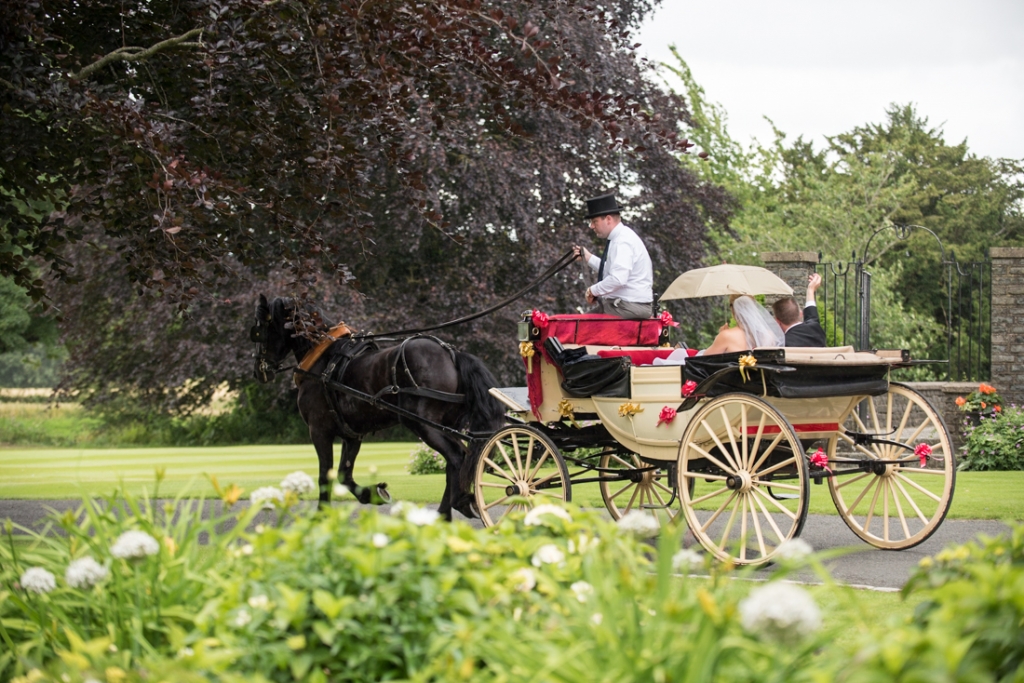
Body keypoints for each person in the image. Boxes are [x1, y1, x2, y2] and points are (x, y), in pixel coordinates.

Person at [571, 193, 654, 320]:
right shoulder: (621, 237)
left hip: (627, 307)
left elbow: (617, 279)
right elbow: (612, 271)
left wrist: (592, 290)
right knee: (578, 325)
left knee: (578, 327)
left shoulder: (622, 241)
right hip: (629, 305)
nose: (591, 226)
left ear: (608, 219)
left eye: (594, 221)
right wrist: (588, 257)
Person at [701, 295, 785, 355]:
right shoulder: (769, 335)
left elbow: (705, 360)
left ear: (733, 310)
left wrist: (720, 335)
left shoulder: (726, 335)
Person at [772, 273, 827, 347]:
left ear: (778, 322)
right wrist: (810, 290)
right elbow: (812, 316)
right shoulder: (816, 329)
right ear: (801, 314)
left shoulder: (783, 344)